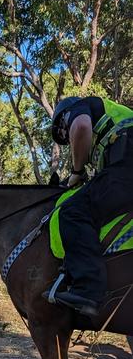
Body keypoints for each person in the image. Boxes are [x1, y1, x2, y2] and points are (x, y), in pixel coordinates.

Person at [50, 95, 133, 317]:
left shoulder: (81, 106)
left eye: (64, 134)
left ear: (63, 117)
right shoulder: (110, 123)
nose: (67, 138)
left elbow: (81, 125)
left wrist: (76, 173)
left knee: (72, 211)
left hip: (127, 166)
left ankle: (88, 290)